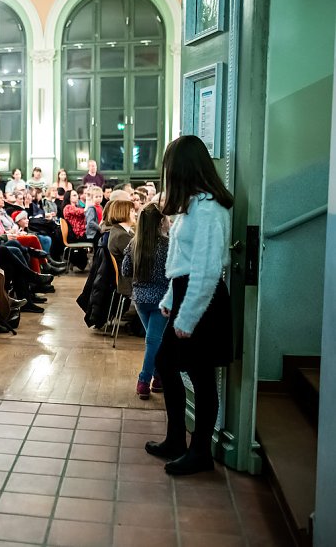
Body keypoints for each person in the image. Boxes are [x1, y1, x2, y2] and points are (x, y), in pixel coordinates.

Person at [145, 135, 234, 476]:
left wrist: (188, 315)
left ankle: (200, 452)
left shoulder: (210, 207)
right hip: (186, 294)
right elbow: (183, 262)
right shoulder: (194, 204)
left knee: (200, 375)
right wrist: (170, 298)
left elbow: (208, 269)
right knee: (167, 363)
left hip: (202, 300)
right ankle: (175, 440)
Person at [122, 204, 170, 400]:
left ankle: (158, 378)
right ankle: (144, 380)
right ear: (160, 222)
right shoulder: (168, 245)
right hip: (162, 299)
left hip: (140, 299)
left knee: (154, 341)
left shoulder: (134, 244)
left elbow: (126, 271)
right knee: (154, 341)